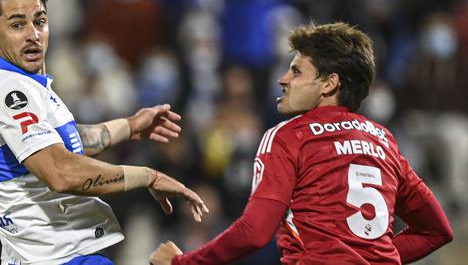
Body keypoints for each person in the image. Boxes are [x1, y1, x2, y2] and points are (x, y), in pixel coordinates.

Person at [150, 22, 454, 264]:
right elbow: (436, 231)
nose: (283, 79)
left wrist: (183, 262)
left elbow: (254, 233)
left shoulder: (290, 136)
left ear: (329, 83)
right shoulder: (383, 139)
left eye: (296, 71)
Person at [0, 0, 208, 265]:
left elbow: (63, 144)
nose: (33, 34)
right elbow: (60, 171)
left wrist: (129, 126)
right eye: (17, 25)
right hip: (54, 257)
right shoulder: (11, 91)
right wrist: (147, 176)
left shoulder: (7, 80)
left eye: (39, 22)